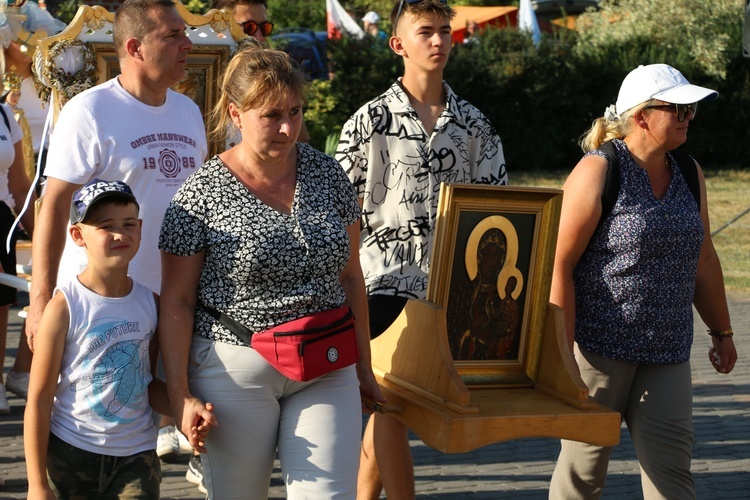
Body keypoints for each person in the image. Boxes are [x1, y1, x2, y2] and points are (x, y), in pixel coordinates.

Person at [157, 45, 384, 499]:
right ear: (236, 114)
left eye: (295, 112)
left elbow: (350, 276)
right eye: (272, 115)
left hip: (327, 361)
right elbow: (177, 299)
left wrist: (364, 367)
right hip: (236, 366)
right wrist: (180, 394)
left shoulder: (328, 174)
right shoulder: (198, 193)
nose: (288, 127)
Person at [24, 0, 208, 488]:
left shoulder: (189, 112)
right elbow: (54, 206)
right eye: (173, 35)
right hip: (96, 306)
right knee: (83, 419)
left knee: (138, 420)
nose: (187, 44)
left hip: (164, 306)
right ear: (134, 47)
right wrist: (41, 299)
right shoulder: (91, 111)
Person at [335, 0, 508, 498]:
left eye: (444, 32)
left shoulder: (477, 128)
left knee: (390, 410)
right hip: (380, 288)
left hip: (452, 293)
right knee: (389, 405)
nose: (437, 41)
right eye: (425, 31)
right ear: (398, 44)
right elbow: (337, 215)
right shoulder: (366, 123)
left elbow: (497, 216)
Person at [548, 63, 738, 499]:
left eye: (691, 110)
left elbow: (703, 256)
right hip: (598, 354)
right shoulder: (599, 169)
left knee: (674, 479)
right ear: (641, 117)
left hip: (667, 352)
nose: (689, 118)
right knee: (581, 478)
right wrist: (561, 357)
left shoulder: (689, 172)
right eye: (679, 109)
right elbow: (559, 264)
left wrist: (722, 331)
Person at [23, 179, 213, 499]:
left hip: (136, 458)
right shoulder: (64, 307)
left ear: (140, 228)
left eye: (128, 224)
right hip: (70, 453)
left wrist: (185, 411)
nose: (119, 234)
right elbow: (39, 401)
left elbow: (146, 382)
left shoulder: (151, 304)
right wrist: (36, 484)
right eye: (105, 225)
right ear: (78, 235)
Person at [211, 0, 311, 144]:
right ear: (220, 28)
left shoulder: (277, 78)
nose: (259, 37)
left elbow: (301, 150)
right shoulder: (202, 77)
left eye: (264, 28)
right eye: (249, 27)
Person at [0, 67, 36, 414]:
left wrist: (39, 234)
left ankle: (0, 380)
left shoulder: (5, 114)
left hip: (1, 216)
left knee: (2, 302)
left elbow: (20, 181)